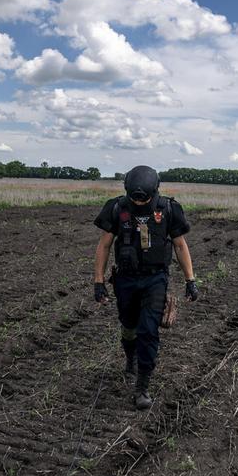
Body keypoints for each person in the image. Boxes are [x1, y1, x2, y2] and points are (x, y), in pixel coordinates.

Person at [93, 165, 198, 410]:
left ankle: (142, 386)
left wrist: (190, 280)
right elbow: (104, 246)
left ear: (155, 191)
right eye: (135, 198)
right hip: (126, 280)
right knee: (128, 326)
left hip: (155, 280)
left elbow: (180, 246)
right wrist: (98, 282)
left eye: (145, 198)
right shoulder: (117, 208)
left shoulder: (169, 209)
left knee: (149, 330)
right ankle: (131, 357)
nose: (139, 202)